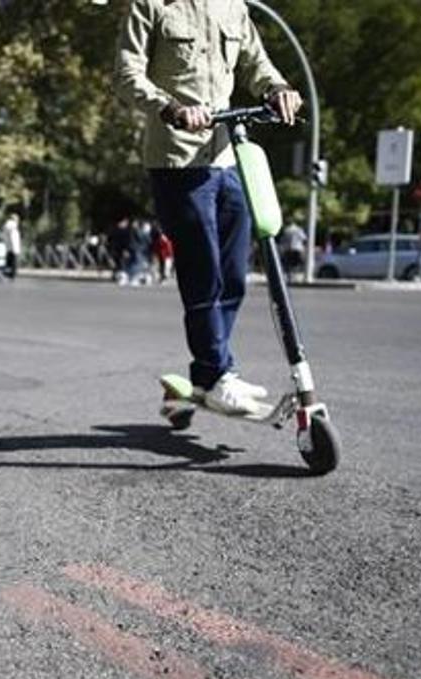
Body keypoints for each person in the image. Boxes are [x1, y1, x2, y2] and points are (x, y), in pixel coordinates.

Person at [117, 0, 303, 414]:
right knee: (204, 273)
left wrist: (279, 89)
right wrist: (171, 107)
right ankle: (218, 373)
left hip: (226, 158)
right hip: (176, 161)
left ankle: (207, 375)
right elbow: (126, 74)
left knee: (235, 274)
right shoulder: (150, 6)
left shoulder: (233, 7)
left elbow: (257, 63)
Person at [1, 212, 22, 280]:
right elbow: (13, 238)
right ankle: (11, 275)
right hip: (13, 248)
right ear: (14, 219)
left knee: (8, 262)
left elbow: (4, 237)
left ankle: (7, 274)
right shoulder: (12, 226)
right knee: (13, 263)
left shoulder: (7, 226)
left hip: (9, 247)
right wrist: (15, 248)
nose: (18, 221)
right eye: (17, 219)